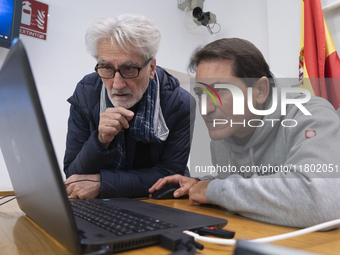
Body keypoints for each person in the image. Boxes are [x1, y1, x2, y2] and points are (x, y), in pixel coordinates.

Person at [149, 38, 340, 228]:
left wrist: (213, 190)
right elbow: (241, 180)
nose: (205, 109)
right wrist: (198, 182)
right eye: (201, 94)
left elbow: (321, 199)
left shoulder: (311, 114)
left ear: (260, 91)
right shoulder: (223, 135)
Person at [64, 14, 194, 199]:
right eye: (107, 67)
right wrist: (100, 140)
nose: (117, 84)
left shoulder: (180, 103)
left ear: (151, 68)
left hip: (158, 204)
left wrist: (103, 184)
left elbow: (170, 175)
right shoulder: (86, 93)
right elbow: (73, 174)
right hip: (100, 207)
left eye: (129, 69)